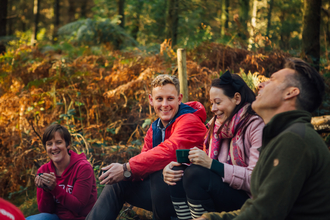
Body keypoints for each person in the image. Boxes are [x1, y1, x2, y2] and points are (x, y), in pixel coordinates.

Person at [198, 58, 330, 220]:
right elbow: (260, 206)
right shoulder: (284, 135)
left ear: (290, 93)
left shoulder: (294, 140)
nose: (260, 85)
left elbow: (264, 214)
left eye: (272, 80)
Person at [85, 74, 207, 220]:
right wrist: (123, 173)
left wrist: (126, 167)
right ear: (151, 100)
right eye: (159, 99)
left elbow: (169, 150)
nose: (165, 104)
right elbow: (144, 166)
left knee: (158, 174)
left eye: (170, 98)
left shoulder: (190, 120)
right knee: (119, 184)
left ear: (179, 99)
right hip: (164, 192)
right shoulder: (155, 128)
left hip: (191, 195)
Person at [163, 71, 264, 219]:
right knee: (178, 174)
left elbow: (256, 180)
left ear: (236, 98)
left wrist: (212, 165)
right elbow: (204, 165)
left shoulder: (255, 126)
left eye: (217, 102)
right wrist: (175, 166)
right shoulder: (214, 127)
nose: (213, 109)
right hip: (224, 189)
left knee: (195, 175)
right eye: (211, 103)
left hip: (249, 201)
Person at [26, 124, 97, 220]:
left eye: (58, 142)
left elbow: (79, 206)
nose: (54, 148)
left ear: (68, 145)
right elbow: (45, 211)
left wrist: (54, 188)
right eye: (49, 144)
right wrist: (46, 190)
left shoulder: (83, 168)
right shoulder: (43, 171)